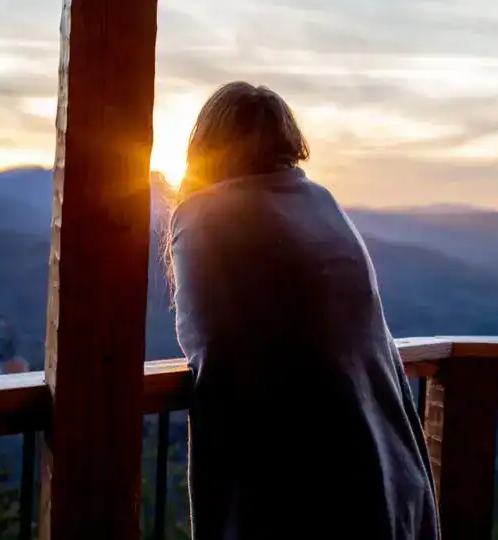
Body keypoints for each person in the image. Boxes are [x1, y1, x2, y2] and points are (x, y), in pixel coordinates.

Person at [167, 82, 439, 540]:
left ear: (205, 146)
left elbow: (205, 343)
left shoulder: (202, 218)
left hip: (303, 497)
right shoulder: (324, 204)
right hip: (391, 480)